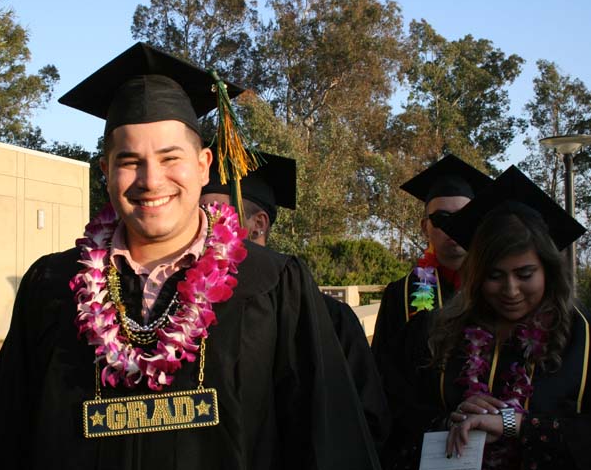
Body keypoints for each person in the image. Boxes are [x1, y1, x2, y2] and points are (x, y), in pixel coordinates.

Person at [0, 43, 379, 469]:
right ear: (106, 171)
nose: (151, 180)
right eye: (130, 161)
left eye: (170, 157)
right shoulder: (52, 288)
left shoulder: (273, 284)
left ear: (204, 165)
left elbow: (328, 443)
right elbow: (2, 439)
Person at [395, 165, 590, 469]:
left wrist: (513, 424)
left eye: (525, 274)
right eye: (494, 276)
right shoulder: (440, 331)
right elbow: (399, 414)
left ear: (548, 271)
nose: (510, 290)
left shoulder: (582, 337)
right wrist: (450, 419)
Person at [200, 150, 391, 451]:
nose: (200, 228)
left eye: (212, 214)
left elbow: (368, 422)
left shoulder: (330, 318)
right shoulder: (191, 319)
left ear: (258, 224)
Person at [371, 154, 492, 464]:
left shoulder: (500, 289)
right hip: (424, 444)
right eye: (441, 219)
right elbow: (384, 377)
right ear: (425, 227)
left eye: (464, 217)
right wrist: (438, 421)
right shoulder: (402, 295)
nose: (453, 228)